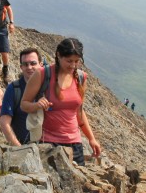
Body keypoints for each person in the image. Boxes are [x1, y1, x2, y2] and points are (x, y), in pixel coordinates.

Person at [20, 37, 102, 166]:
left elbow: (79, 112)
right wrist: (37, 105)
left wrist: (91, 139)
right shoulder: (42, 74)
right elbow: (24, 104)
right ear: (58, 55)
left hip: (75, 143)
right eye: (69, 61)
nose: (73, 65)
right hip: (48, 142)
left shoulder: (81, 77)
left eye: (76, 61)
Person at [0, 47, 40, 146]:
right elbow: (4, 122)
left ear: (40, 64)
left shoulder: (49, 87)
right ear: (21, 67)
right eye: (25, 64)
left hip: (49, 148)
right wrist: (19, 148)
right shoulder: (13, 89)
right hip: (22, 145)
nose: (29, 67)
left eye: (33, 63)